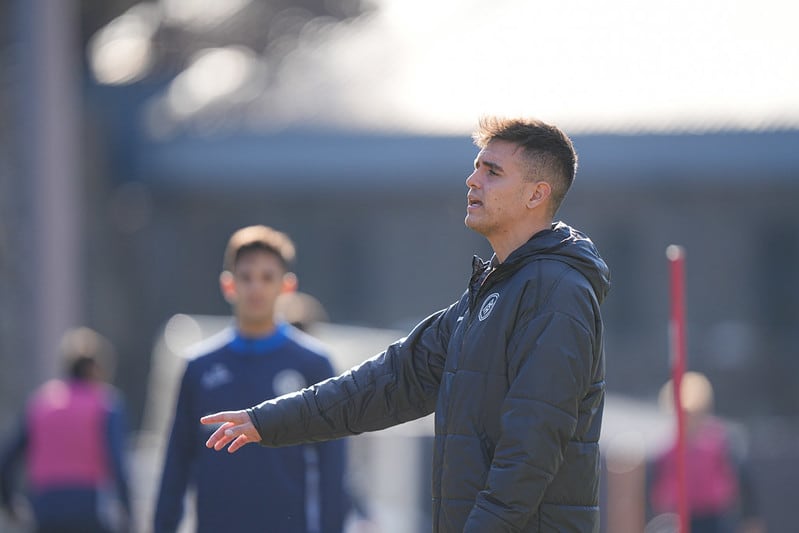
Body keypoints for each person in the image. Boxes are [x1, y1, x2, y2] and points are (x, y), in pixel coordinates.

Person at [202, 117, 611, 532]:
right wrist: (268, 420)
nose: (472, 180)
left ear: (536, 195)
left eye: (492, 172)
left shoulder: (559, 292)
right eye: (476, 167)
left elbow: (532, 446)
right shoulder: (491, 293)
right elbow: (389, 380)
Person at [154, 225, 348, 533]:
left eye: (267, 277)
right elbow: (176, 463)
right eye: (246, 277)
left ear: (287, 286)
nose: (256, 288)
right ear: (228, 285)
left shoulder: (314, 364)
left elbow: (333, 468)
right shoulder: (199, 367)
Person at [0, 327, 131, 533]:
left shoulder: (40, 403)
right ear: (95, 368)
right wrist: (128, 512)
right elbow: (118, 463)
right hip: (89, 509)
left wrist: (9, 505)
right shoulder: (105, 403)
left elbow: (7, 460)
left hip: (45, 510)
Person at [648, 372, 766, 533]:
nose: (687, 419)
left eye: (691, 413)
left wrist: (751, 522)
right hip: (676, 519)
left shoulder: (722, 444)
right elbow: (652, 494)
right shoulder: (666, 453)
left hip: (716, 520)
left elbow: (745, 487)